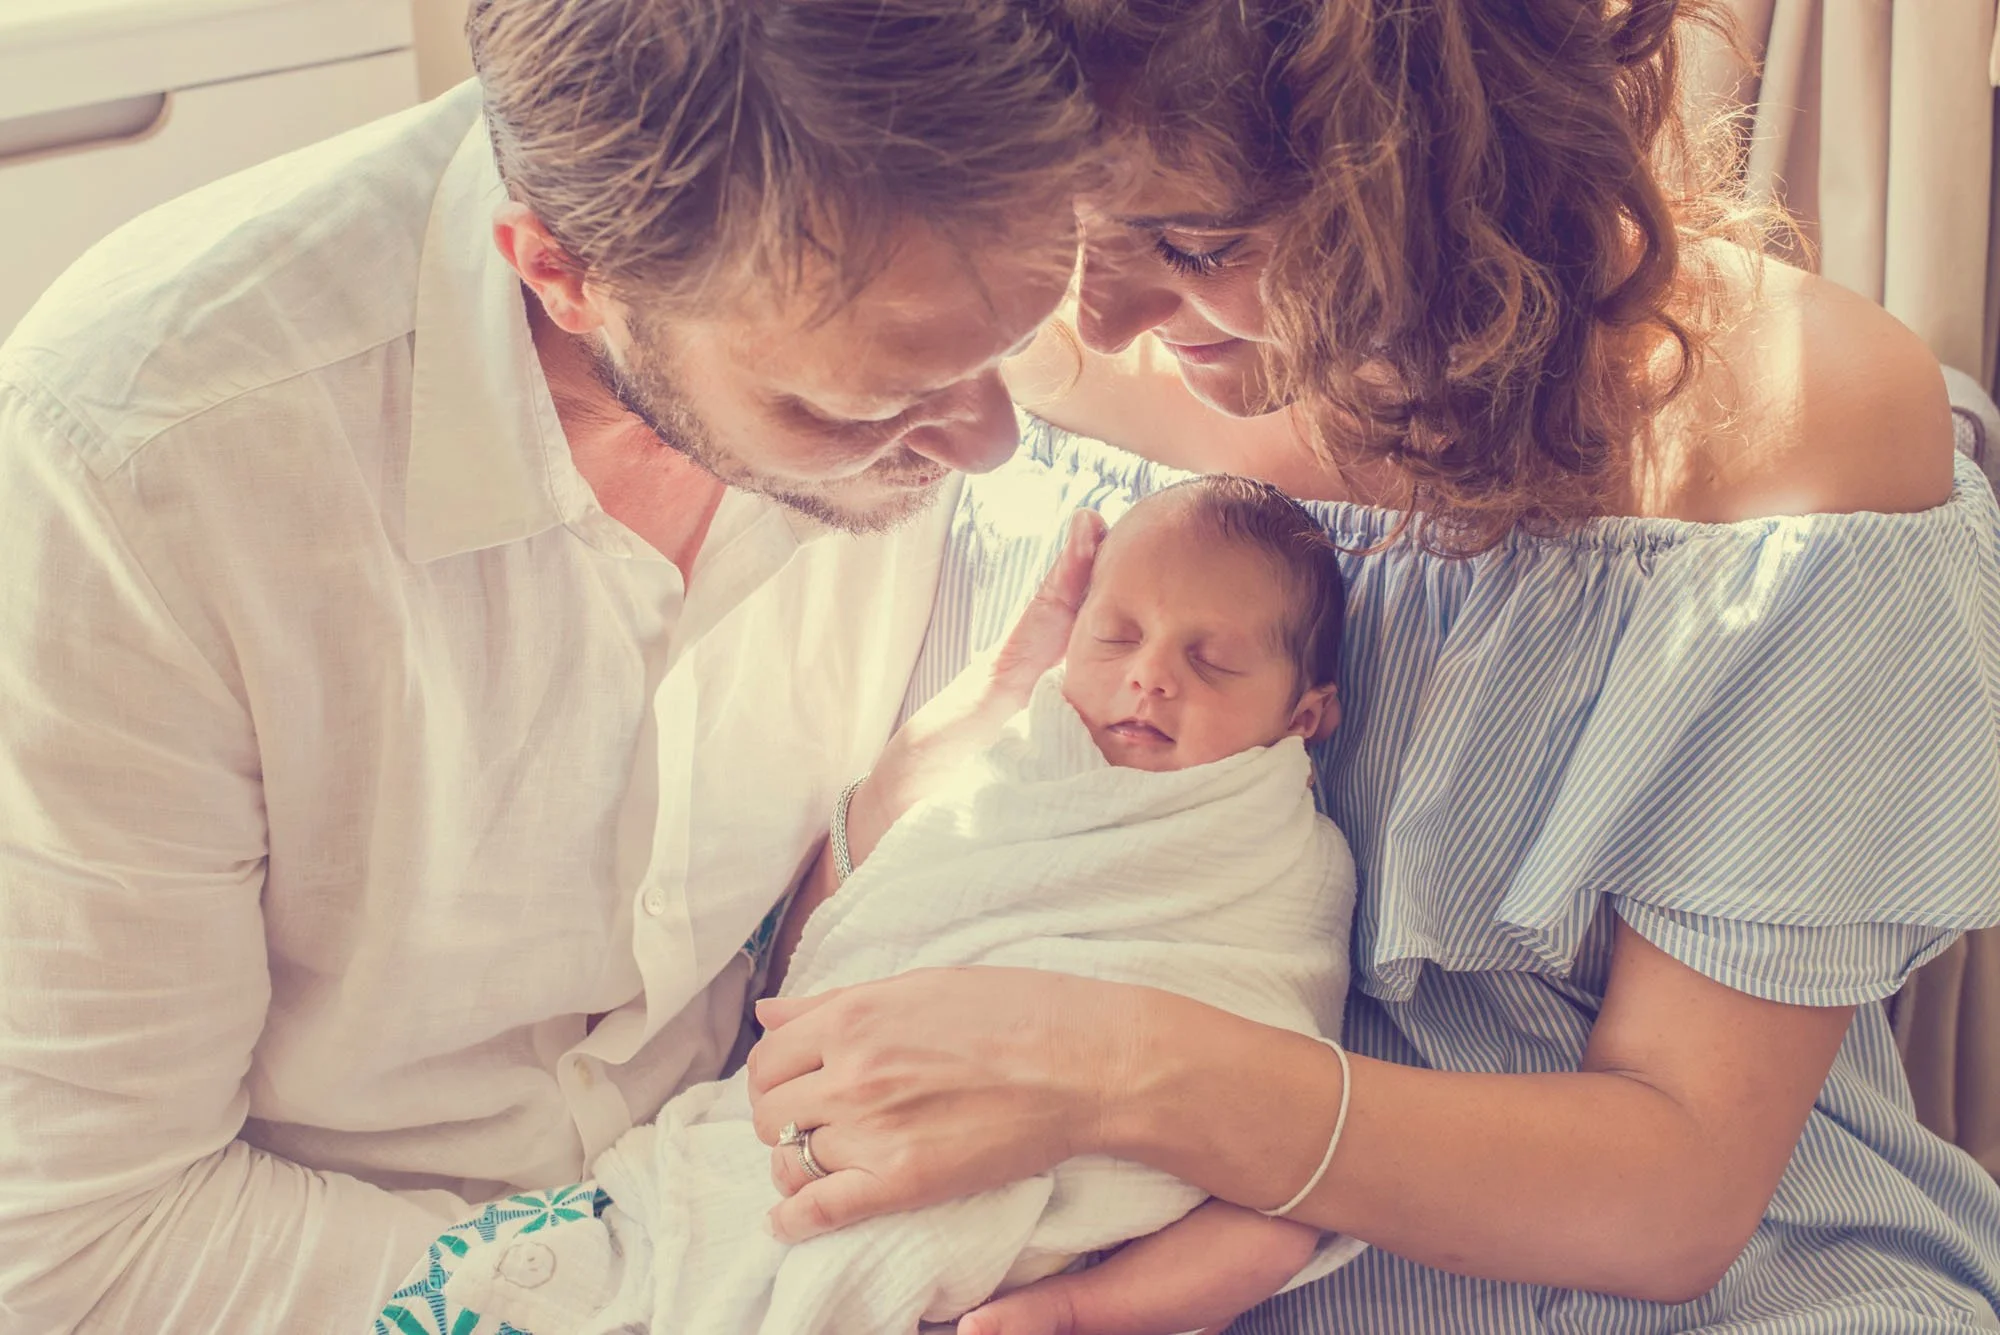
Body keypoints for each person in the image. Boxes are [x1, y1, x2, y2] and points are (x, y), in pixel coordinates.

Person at [745, 1, 2000, 1332]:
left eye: (1198, 244)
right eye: (1066, 221)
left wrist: (1106, 1068)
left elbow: (1675, 1197)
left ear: (1437, 157)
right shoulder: (1016, 354)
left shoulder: (1786, 421)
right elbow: (873, 915)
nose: (1101, 320)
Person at [0, 1, 1102, 1329]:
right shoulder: (140, 468)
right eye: (859, 405)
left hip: (753, 1194)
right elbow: (77, 1245)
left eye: (1012, 345)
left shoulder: (894, 277)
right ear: (561, 276)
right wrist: (682, 1294)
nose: (987, 445)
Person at [370, 476, 1358, 1335]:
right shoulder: (1020, 765)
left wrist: (1071, 1311)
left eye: (1211, 661)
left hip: (1029, 1255)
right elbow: (859, 942)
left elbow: (1285, 1174)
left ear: (1305, 714)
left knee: (1275, 1218)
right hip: (794, 1155)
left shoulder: (1272, 861)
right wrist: (1007, 683)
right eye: (1117, 636)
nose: (1149, 674)